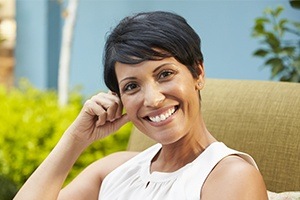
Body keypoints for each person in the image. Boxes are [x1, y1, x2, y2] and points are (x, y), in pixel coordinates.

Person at [14, 11, 268, 200]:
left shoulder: (230, 177)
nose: (153, 99)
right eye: (132, 86)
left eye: (165, 74)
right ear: (119, 99)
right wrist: (75, 139)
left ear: (198, 73)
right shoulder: (114, 170)